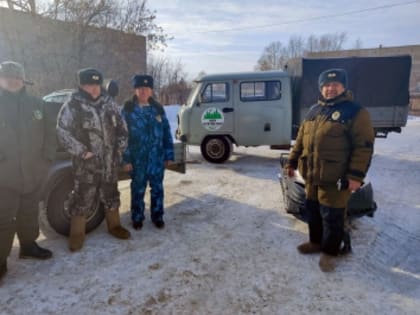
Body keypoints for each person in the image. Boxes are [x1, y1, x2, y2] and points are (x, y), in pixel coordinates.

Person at [286, 68, 374, 272]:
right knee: (313, 213)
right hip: (312, 176)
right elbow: (300, 140)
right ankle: (315, 243)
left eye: (335, 85)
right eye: (326, 85)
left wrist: (355, 176)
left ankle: (330, 253)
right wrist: (291, 162)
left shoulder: (355, 112)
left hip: (336, 178)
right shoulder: (313, 111)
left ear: (344, 87)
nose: (330, 88)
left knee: (333, 218)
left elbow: (364, 147)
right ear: (321, 88)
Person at [57, 68, 130, 252]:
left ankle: (114, 226)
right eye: (90, 85)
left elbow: (122, 129)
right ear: (81, 85)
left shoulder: (109, 103)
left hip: (109, 163)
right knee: (82, 199)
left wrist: (119, 149)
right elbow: (62, 132)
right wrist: (81, 151)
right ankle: (77, 236)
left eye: (97, 84)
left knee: (111, 195)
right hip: (86, 165)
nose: (95, 89)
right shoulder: (72, 105)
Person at [0, 61, 56, 281]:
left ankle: (28, 246)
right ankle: (1, 260)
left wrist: (47, 159)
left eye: (17, 77)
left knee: (29, 212)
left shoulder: (37, 104)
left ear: (23, 80)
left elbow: (50, 134)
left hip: (33, 171)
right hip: (5, 175)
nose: (13, 80)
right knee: (3, 219)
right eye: (8, 77)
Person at [122, 74, 174, 230]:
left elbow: (166, 132)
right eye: (140, 88)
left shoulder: (158, 109)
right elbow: (122, 137)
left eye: (146, 88)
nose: (143, 91)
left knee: (157, 189)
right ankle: (137, 218)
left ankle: (158, 216)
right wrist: (126, 159)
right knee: (137, 190)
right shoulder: (128, 111)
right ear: (135, 90)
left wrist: (169, 154)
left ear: (151, 90)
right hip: (138, 159)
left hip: (156, 159)